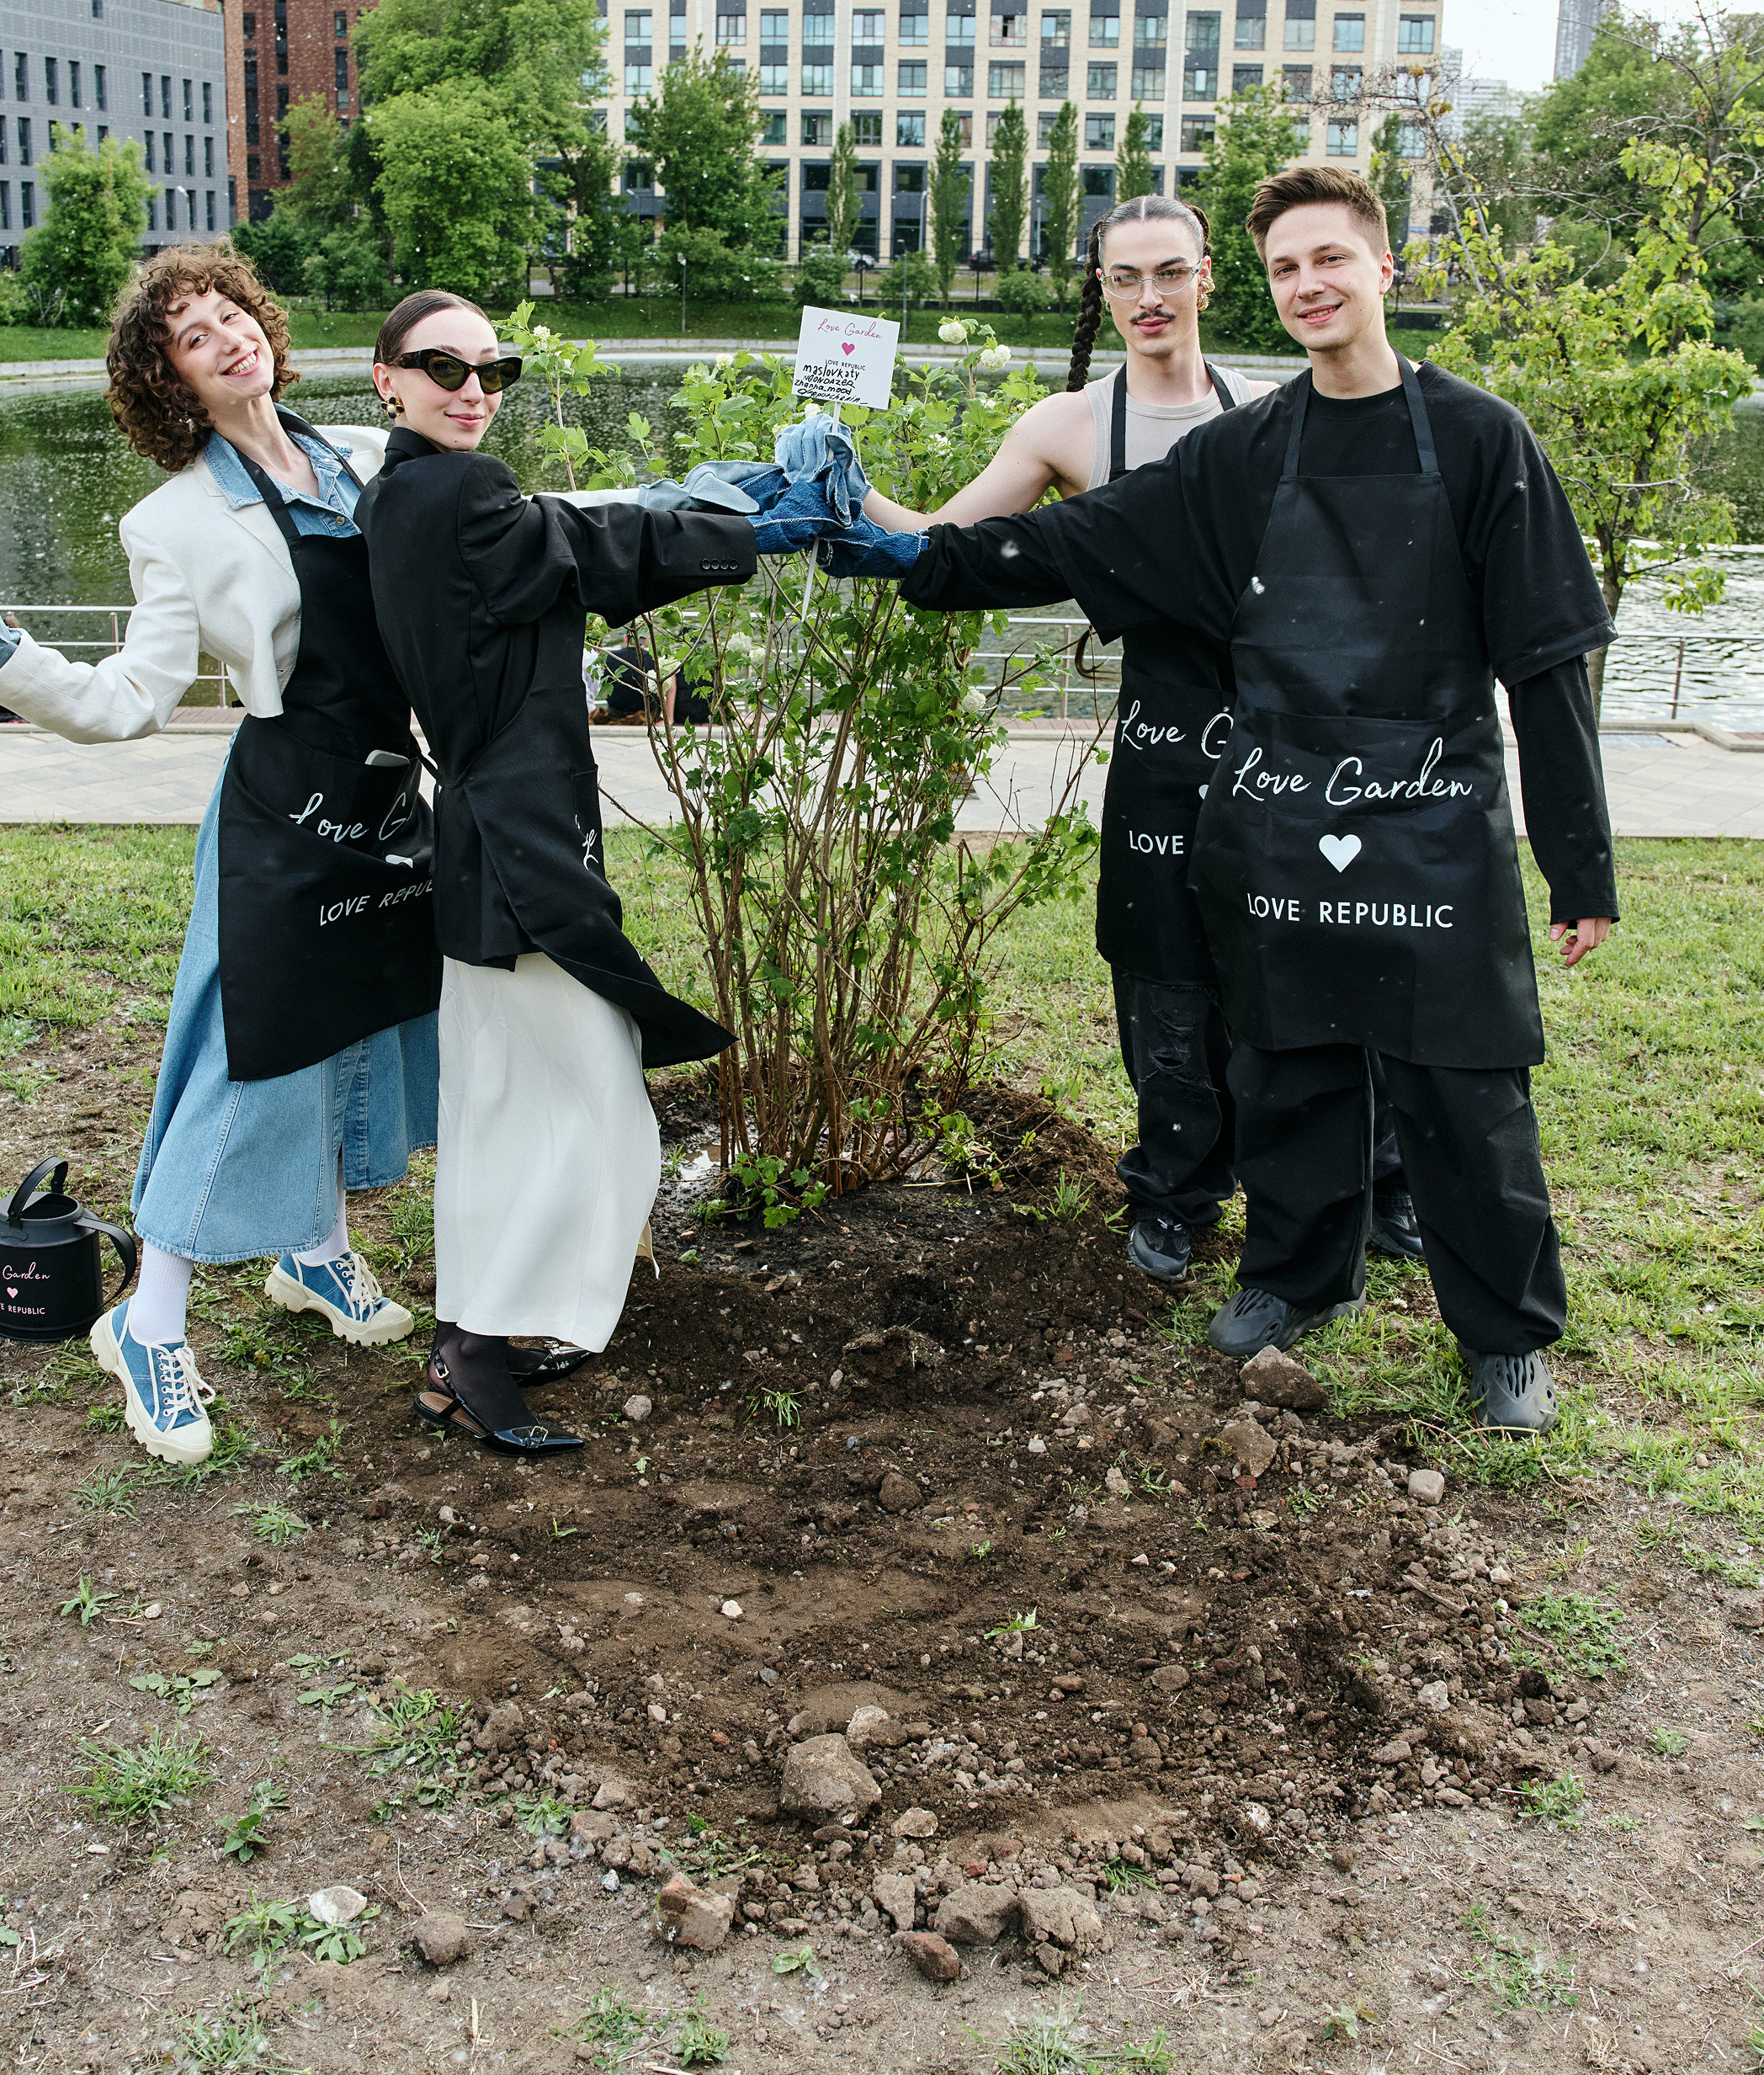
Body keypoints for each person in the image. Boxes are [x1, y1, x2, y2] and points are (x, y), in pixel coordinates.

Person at [886, 165, 1617, 1434]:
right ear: (1268, 289)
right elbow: (1065, 543)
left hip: (1435, 819)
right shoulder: (1244, 449)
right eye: (1287, 267)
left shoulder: (1484, 437)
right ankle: (1289, 1279)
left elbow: (1549, 662)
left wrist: (1579, 865)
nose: (1308, 286)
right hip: (1277, 810)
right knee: (1287, 1069)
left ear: (1383, 269)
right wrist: (879, 539)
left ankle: (1501, 1334)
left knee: (1464, 1090)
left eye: (1329, 259)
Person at [0, 246, 441, 1463]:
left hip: (389, 796)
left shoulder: (372, 454)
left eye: (234, 314)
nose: (228, 337)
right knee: (254, 1055)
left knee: (356, 1026)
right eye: (194, 335)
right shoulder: (171, 518)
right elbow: (127, 699)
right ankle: (148, 1323)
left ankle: (316, 1254)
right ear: (168, 380)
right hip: (285, 815)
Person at [861, 194, 1421, 1289]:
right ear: (1104, 292)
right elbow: (948, 547)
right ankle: (1175, 1192)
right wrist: (844, 487)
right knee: (1162, 977)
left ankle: (1372, 1177)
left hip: (1282, 744)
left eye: (1169, 273)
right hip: (1162, 741)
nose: (1148, 298)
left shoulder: (1270, 412)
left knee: (1307, 962)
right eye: (1125, 279)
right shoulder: (1066, 427)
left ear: (1208, 280)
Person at [357, 289, 759, 1455]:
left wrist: (669, 512)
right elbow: (589, 544)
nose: (474, 387)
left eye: (496, 368)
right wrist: (746, 521)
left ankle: (478, 1338)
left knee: (504, 1105)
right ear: (386, 377)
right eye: (443, 366)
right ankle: (482, 1345)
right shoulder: (460, 492)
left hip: (484, 844)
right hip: (521, 851)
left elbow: (567, 540)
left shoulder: (397, 494)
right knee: (596, 1112)